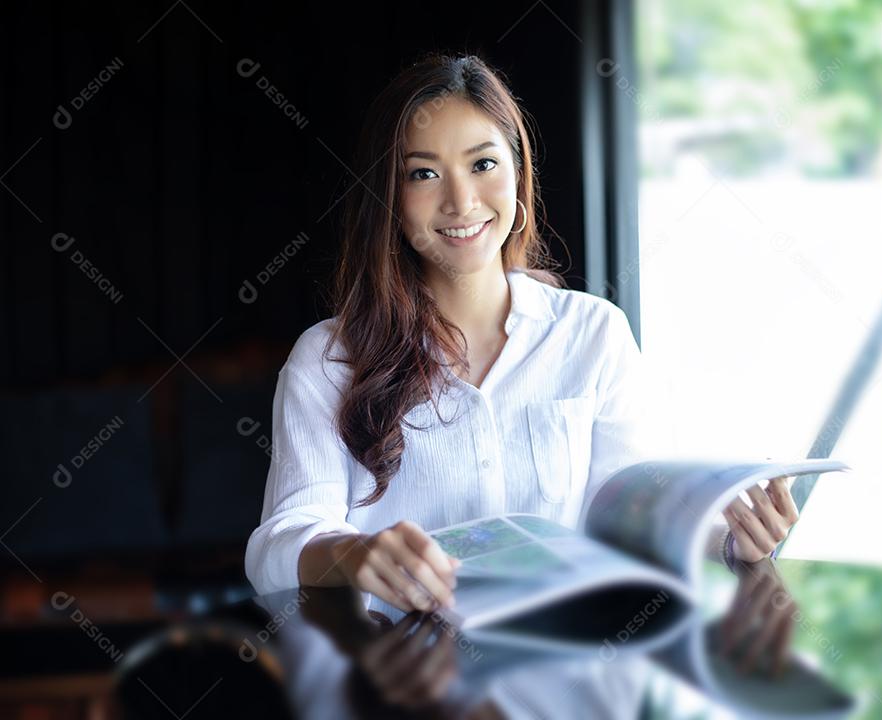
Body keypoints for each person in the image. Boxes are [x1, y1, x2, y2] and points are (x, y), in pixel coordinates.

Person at [244, 52, 798, 617]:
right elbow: (277, 547)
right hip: (408, 680)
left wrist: (730, 537)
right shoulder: (328, 359)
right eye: (424, 173)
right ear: (390, 197)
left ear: (517, 172)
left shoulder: (593, 333)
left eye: (483, 164)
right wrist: (356, 555)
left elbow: (630, 515)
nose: (461, 202)